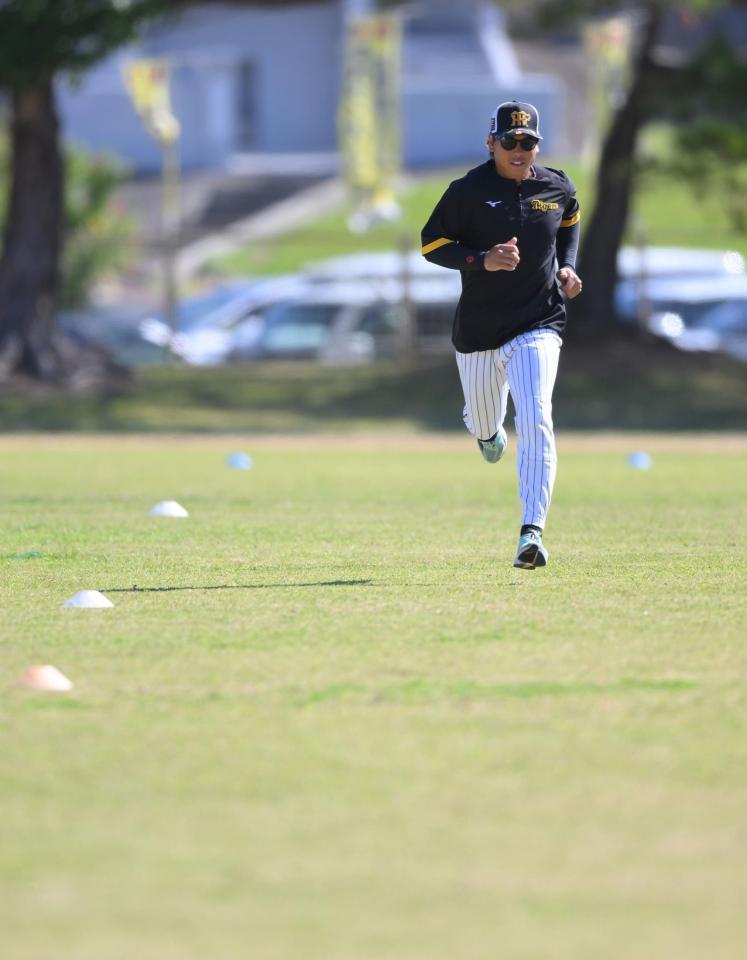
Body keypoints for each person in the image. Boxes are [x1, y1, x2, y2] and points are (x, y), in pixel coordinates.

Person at [421, 100, 582, 570]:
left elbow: (569, 219)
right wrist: (480, 260)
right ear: (491, 142)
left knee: (535, 414)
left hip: (539, 322)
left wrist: (569, 266)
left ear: (537, 145)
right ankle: (485, 431)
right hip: (479, 332)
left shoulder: (555, 185)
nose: (519, 150)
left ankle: (531, 532)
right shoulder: (467, 191)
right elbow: (431, 244)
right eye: (509, 141)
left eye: (528, 142)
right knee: (486, 424)